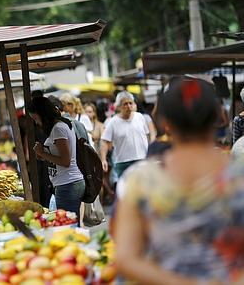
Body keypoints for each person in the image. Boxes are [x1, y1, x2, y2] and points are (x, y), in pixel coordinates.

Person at [114, 78, 244, 284]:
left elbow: (126, 259)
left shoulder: (141, 180)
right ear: (220, 116)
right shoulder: (239, 176)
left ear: (165, 123)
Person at [28, 97, 84, 219]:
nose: (36, 122)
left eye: (36, 118)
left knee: (69, 225)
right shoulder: (58, 127)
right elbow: (59, 158)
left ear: (43, 114)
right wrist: (43, 154)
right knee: (69, 223)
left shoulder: (58, 128)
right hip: (66, 184)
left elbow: (65, 161)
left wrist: (42, 153)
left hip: (68, 184)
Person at [100, 91, 149, 180]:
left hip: (141, 159)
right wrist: (103, 159)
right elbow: (104, 140)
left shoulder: (140, 117)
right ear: (119, 106)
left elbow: (147, 135)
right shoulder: (113, 122)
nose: (128, 106)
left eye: (130, 103)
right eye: (125, 104)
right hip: (123, 162)